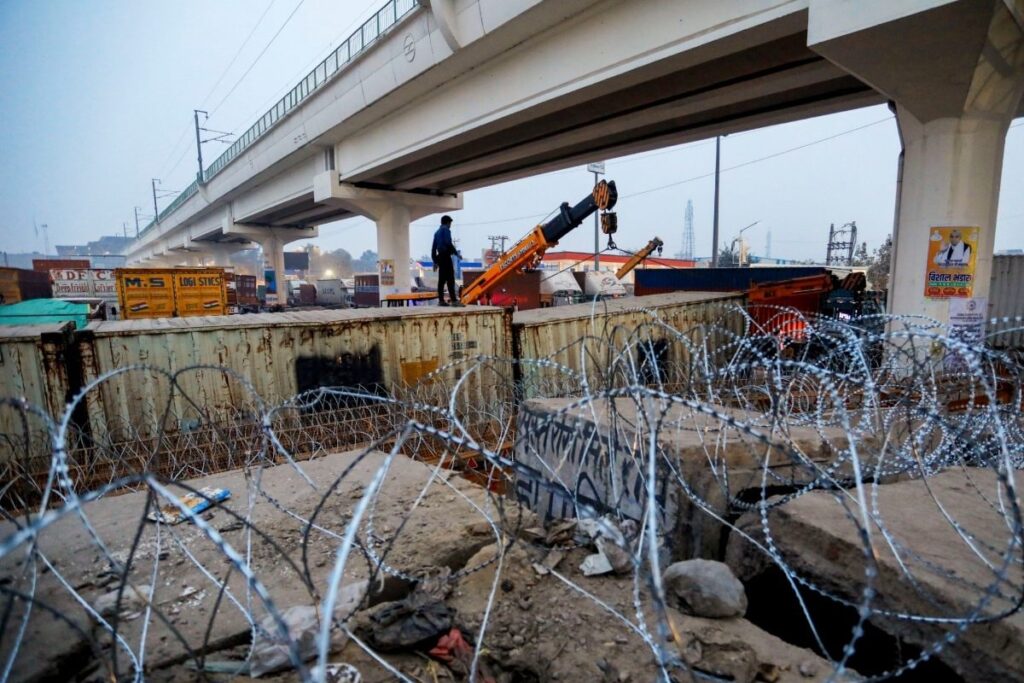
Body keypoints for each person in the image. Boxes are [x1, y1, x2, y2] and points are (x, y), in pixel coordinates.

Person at [431, 215, 463, 306]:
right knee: (450, 279)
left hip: (440, 257)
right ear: (448, 222)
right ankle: (454, 301)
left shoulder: (436, 233)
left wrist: (435, 261)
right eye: (450, 223)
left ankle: (441, 301)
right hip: (445, 257)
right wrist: (456, 253)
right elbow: (448, 243)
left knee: (441, 280)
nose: (450, 225)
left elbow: (433, 249)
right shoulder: (446, 230)